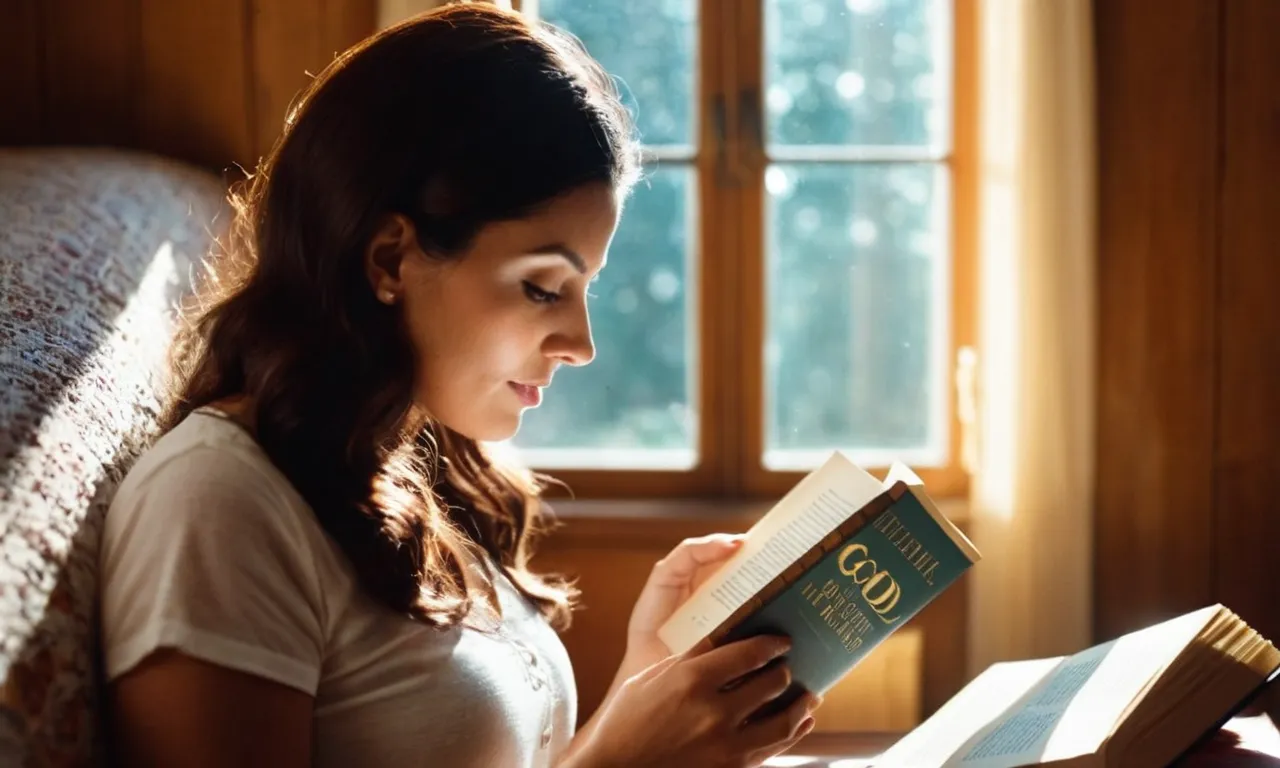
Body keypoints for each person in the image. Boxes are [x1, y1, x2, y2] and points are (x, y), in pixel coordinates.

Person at [98, 4, 821, 766]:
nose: (582, 345)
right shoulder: (219, 505)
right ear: (389, 259)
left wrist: (651, 676)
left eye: (586, 290)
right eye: (543, 287)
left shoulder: (419, 465)